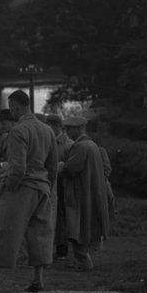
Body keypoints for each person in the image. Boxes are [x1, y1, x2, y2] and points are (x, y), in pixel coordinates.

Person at [0, 90, 57, 293]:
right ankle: (38, 279)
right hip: (42, 187)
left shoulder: (18, 130)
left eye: (11, 108)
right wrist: (47, 187)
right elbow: (52, 167)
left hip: (21, 188)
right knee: (39, 233)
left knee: (2, 231)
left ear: (15, 106)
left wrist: (8, 187)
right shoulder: (47, 130)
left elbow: (18, 168)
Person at [57, 115, 110, 270]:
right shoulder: (91, 144)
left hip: (79, 193)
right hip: (89, 192)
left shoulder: (80, 146)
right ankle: (82, 260)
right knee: (85, 226)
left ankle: (83, 261)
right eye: (66, 129)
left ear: (80, 128)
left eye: (70, 129)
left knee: (76, 226)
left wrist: (60, 166)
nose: (67, 132)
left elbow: (71, 169)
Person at [47, 113, 73, 259]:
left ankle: (62, 248)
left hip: (63, 185)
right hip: (50, 184)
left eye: (50, 126)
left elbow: (71, 166)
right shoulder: (48, 141)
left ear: (57, 126)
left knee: (62, 216)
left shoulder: (68, 144)